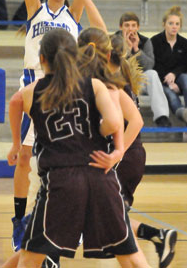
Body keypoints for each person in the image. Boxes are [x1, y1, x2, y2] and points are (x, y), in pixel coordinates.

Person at [3, 27, 154, 268]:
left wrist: (14, 144)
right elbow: (115, 122)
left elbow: (15, 101)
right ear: (75, 56)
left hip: (60, 180)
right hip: (100, 175)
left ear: (42, 59)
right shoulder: (95, 85)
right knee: (130, 256)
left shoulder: (34, 91)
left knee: (30, 257)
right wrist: (111, 146)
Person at [10, 0, 93, 254]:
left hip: (66, 91)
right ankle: (18, 222)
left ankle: (62, 220)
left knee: (65, 159)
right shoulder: (36, 10)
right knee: (26, 157)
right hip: (33, 88)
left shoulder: (74, 15)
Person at [79, 30, 177, 268]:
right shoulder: (112, 75)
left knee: (113, 222)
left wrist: (120, 151)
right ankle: (156, 235)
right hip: (128, 154)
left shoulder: (109, 83)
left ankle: (156, 236)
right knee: (108, 219)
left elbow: (136, 121)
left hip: (127, 156)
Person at [117, 12, 172, 127]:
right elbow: (113, 63)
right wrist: (126, 49)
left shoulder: (145, 41)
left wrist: (136, 49)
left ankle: (161, 116)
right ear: (120, 27)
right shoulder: (114, 40)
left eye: (133, 25)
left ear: (138, 27)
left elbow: (149, 65)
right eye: (127, 25)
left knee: (152, 74)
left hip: (138, 80)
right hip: (119, 79)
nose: (130, 29)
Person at [151, 5, 187, 124]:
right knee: (170, 94)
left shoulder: (184, 43)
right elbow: (154, 65)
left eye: (177, 24)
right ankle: (182, 113)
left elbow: (184, 64)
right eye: (171, 23)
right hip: (161, 80)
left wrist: (174, 74)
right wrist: (169, 82)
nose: (174, 27)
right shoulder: (155, 41)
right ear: (164, 24)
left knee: (186, 79)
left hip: (179, 78)